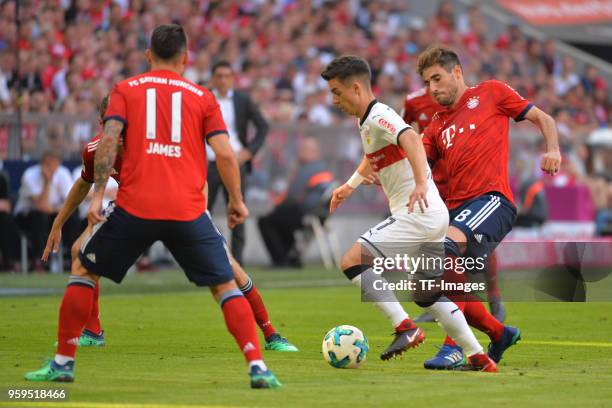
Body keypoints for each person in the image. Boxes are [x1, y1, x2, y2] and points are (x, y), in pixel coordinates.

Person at [25, 24, 281, 389]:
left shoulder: (125, 90)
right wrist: (237, 201)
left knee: (83, 266)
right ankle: (257, 367)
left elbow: (109, 139)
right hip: (188, 210)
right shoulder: (203, 96)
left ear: (148, 56)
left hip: (136, 208)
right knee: (224, 284)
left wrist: (98, 197)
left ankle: (64, 363)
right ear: (185, 57)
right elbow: (224, 153)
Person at [40, 96, 298, 352]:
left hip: (181, 207)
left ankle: (270, 333)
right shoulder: (96, 150)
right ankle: (91, 332)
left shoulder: (157, 143)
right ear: (101, 122)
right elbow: (83, 183)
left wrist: (202, 212)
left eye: (124, 122)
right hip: (131, 208)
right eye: (112, 122)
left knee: (230, 268)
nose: (118, 128)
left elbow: (201, 178)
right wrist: (57, 223)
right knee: (79, 250)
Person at [321, 55, 497, 372]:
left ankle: (405, 327)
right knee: (427, 294)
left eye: (337, 92)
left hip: (417, 213)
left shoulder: (379, 115)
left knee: (351, 261)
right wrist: (350, 185)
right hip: (430, 214)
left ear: (356, 87)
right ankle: (478, 356)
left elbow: (412, 138)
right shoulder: (368, 121)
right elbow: (373, 156)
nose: (334, 100)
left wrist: (419, 182)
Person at [418, 45, 561, 369]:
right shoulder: (437, 124)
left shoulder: (492, 93)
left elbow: (543, 118)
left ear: (456, 72)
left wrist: (552, 149)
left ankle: (454, 347)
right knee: (430, 282)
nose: (433, 88)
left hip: (491, 200)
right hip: (454, 211)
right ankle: (500, 333)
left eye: (437, 78)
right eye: (427, 83)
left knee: (446, 252)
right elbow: (417, 160)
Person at [402, 87, 506, 324]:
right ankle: (438, 302)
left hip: (464, 184)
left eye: (437, 76)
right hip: (431, 185)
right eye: (430, 78)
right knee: (434, 244)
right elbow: (404, 135)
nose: (435, 84)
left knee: (477, 244)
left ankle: (494, 296)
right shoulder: (412, 102)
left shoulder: (463, 100)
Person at [207, 61, 269, 265]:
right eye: (219, 75)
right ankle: (205, 259)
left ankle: (238, 264)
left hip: (234, 161)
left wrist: (249, 152)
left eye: (227, 75)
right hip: (208, 162)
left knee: (237, 211)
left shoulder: (242, 100)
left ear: (232, 78)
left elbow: (263, 126)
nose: (223, 80)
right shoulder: (204, 98)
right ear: (213, 78)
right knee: (202, 213)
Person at [257, 136, 334, 268]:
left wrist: (275, 206)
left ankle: (281, 260)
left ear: (314, 152)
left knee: (266, 220)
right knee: (282, 220)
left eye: (304, 149)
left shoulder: (308, 169)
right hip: (321, 215)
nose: (300, 152)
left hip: (306, 213)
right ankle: (291, 259)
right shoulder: (325, 169)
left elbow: (292, 195)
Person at [14, 150, 79, 271]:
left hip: (53, 214)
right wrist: (47, 181)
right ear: (42, 164)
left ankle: (72, 259)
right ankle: (39, 260)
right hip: (27, 216)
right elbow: (41, 205)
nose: (52, 168)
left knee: (72, 218)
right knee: (40, 216)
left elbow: (72, 202)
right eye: (49, 165)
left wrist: (56, 210)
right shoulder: (30, 175)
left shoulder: (63, 173)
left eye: (55, 164)